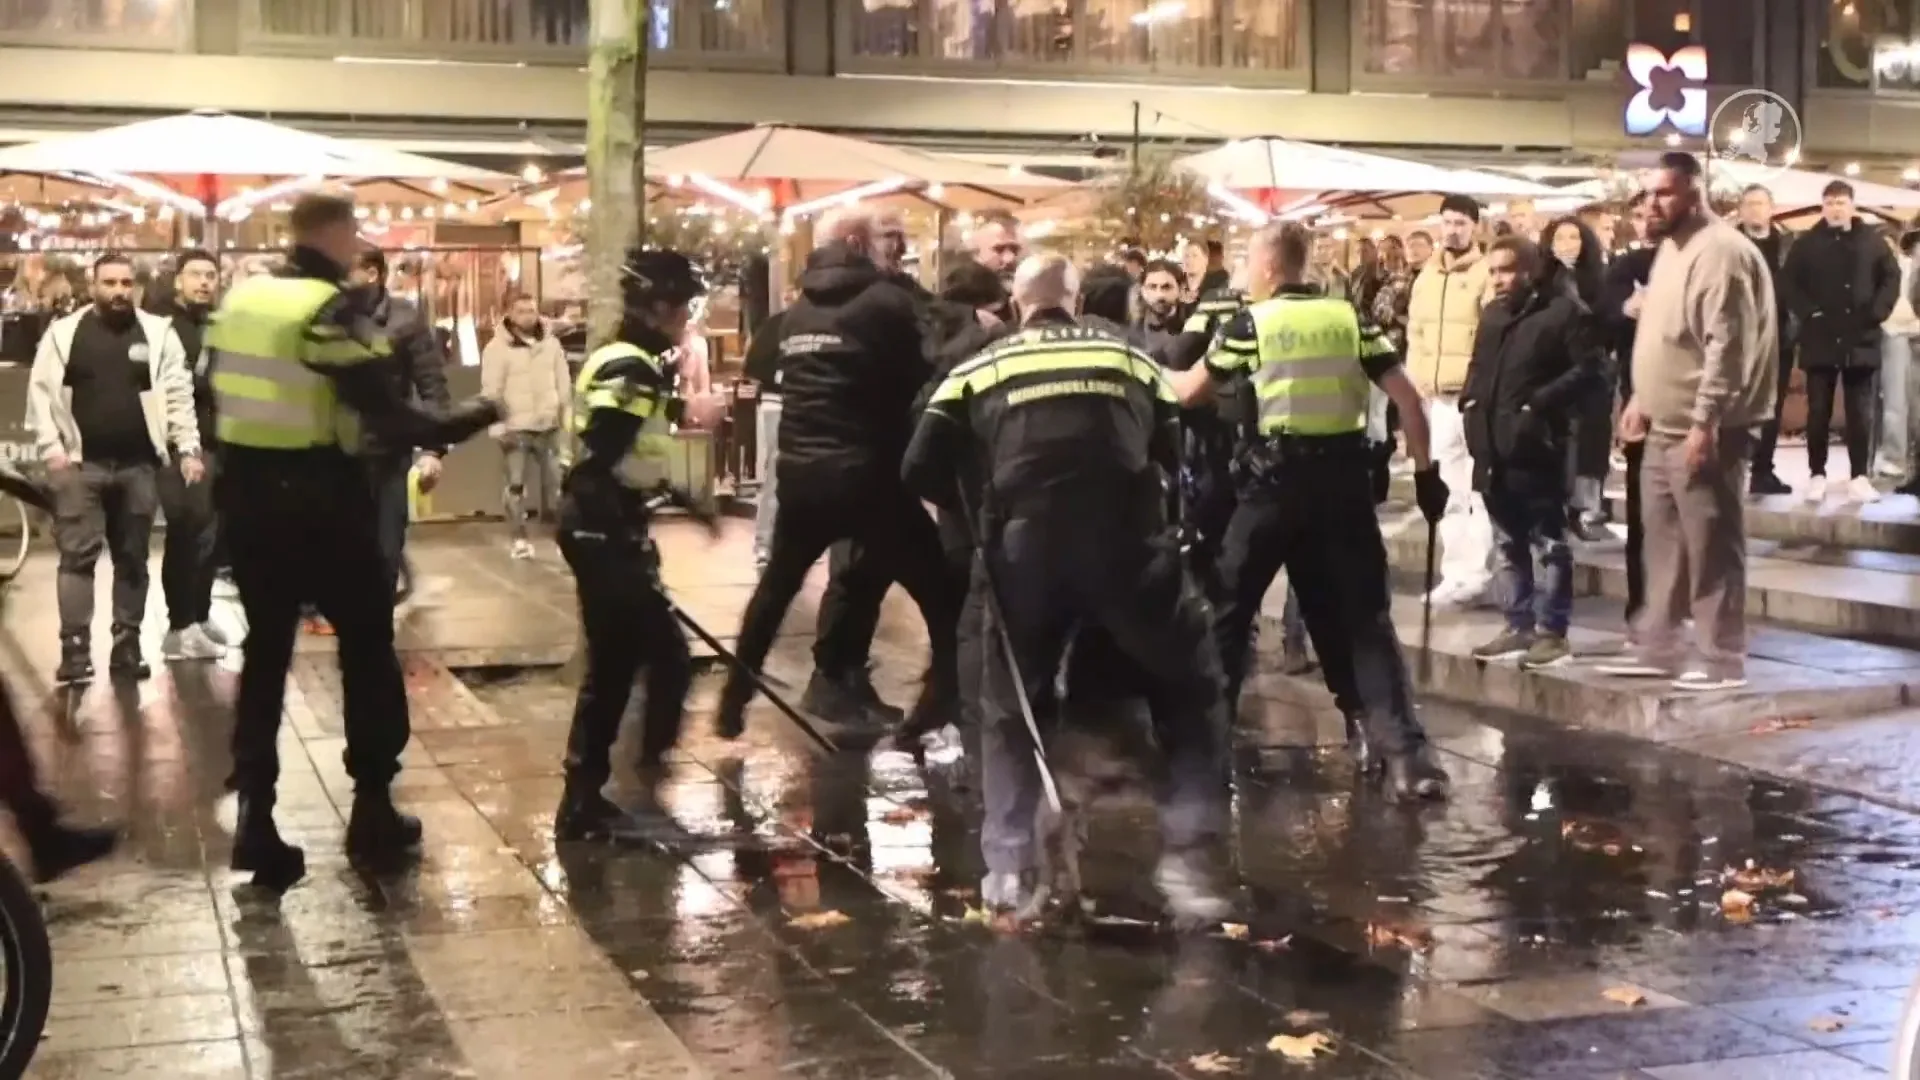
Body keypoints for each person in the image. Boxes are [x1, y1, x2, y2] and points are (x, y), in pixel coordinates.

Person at [902, 253, 1233, 925]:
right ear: (1076, 303)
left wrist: (981, 506)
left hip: (1024, 552)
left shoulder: (979, 368)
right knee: (1192, 684)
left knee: (1008, 704)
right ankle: (1190, 852)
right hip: (1127, 548)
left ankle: (1007, 866)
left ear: (1018, 305)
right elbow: (1171, 449)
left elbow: (918, 467)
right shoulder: (1131, 358)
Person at [208, 193, 499, 890]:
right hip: (322, 498)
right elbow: (391, 416)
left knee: (266, 652)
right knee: (366, 646)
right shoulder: (327, 309)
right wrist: (477, 415)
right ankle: (372, 806)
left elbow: (206, 393)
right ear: (335, 234)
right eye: (353, 233)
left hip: (247, 497)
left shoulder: (241, 300)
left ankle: (255, 816)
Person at [1167, 223, 1450, 801]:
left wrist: (1142, 366)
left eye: (1249, 263)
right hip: (1344, 489)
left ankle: (1203, 754)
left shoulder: (1252, 323)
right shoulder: (1350, 318)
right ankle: (1406, 759)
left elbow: (1188, 391)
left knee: (1227, 614)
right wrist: (1426, 475)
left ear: (1270, 267)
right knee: (1365, 619)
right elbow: (1408, 399)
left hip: (1272, 490)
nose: (1245, 274)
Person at [715, 209, 960, 740]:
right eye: (884, 240)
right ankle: (938, 705)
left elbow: (767, 365)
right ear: (857, 242)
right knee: (944, 596)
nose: (894, 251)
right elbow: (932, 362)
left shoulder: (799, 312)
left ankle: (734, 698)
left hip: (801, 474)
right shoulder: (887, 302)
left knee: (776, 589)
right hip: (867, 477)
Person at [554, 250, 725, 841]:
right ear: (656, 308)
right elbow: (599, 457)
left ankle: (605, 788)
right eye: (681, 307)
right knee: (646, 661)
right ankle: (619, 784)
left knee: (629, 662)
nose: (685, 319)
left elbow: (627, 447)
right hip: (602, 528)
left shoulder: (635, 363)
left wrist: (684, 500)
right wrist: (620, 536)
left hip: (607, 526)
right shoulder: (629, 365)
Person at [1601, 152, 1778, 692]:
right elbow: (1664, 332)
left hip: (1706, 426)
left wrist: (1706, 423)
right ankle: (1659, 646)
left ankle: (1721, 657)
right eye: (1647, 195)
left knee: (1711, 545)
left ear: (1694, 194)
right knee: (1664, 544)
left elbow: (1728, 346)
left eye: (1664, 193)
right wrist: (1642, 396)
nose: (1652, 204)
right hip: (1663, 421)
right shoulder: (1670, 249)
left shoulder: (1720, 252)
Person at [28, 253, 203, 685]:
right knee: (76, 559)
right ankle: (74, 651)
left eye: (126, 283)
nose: (119, 291)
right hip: (79, 465)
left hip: (139, 465)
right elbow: (41, 392)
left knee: (133, 559)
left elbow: (178, 393)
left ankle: (127, 646)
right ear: (93, 286)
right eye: (110, 283)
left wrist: (188, 447)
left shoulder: (158, 333)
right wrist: (52, 450)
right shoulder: (64, 333)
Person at [1461, 236, 1605, 670]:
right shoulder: (1493, 315)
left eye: (1506, 270)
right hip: (1492, 444)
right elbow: (1479, 366)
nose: (1497, 279)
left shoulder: (1564, 312)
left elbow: (1591, 370)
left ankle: (1552, 632)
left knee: (1549, 543)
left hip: (1538, 446)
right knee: (1507, 543)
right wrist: (1470, 401)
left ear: (1529, 269)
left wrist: (1537, 405)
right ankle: (1517, 624)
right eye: (1492, 271)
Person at [1782, 179, 1898, 504]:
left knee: (1860, 412)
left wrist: (1877, 312)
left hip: (1861, 336)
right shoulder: (1806, 243)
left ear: (1852, 206)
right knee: (1818, 410)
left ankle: (1859, 475)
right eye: (1830, 203)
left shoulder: (1872, 241)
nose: (1836, 209)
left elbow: (1891, 278)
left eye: (1841, 202)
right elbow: (1788, 281)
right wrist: (1809, 312)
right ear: (1823, 206)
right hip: (1820, 337)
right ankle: (1817, 474)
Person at [1406, 195, 1495, 609]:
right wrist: (1418, 380)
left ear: (1475, 226)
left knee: (1478, 490)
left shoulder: (1485, 272)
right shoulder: (1427, 275)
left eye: (1461, 222)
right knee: (1449, 489)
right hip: (1437, 398)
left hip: (1473, 397)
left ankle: (1479, 573)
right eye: (1447, 222)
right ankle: (1454, 573)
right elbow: (1416, 333)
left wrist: (1481, 385)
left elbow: (1491, 333)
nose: (1453, 230)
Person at [347, 248, 451, 595]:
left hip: (387, 453)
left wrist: (433, 450)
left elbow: (432, 385)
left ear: (372, 274)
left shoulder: (405, 319)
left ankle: (378, 614)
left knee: (386, 547)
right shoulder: (329, 317)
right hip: (335, 454)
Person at [153, 249, 230, 661]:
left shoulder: (217, 324)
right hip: (181, 446)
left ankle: (199, 615)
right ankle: (179, 625)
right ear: (178, 280)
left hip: (218, 443)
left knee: (211, 537)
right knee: (187, 532)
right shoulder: (161, 326)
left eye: (210, 275)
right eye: (196, 274)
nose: (204, 282)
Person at [1598, 192, 1659, 638]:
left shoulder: (1694, 259)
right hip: (1638, 393)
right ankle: (1641, 603)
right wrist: (1626, 309)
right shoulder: (1624, 267)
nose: (1645, 221)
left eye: (1651, 213)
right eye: (1637, 215)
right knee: (1640, 509)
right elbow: (1606, 319)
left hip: (1689, 401)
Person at [481, 292, 571, 560]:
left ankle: (561, 539)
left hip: (549, 426)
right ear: (510, 313)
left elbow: (563, 384)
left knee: (557, 486)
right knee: (516, 486)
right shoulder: (497, 348)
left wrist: (566, 417)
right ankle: (519, 538)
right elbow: (491, 391)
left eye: (532, 310)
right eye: (521, 311)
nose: (528, 316)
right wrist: (498, 427)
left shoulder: (552, 345)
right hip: (515, 427)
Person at [1543, 216, 1613, 542]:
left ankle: (1583, 509)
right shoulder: (1542, 279)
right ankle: (1555, 509)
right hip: (1555, 372)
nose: (1567, 244)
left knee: (1590, 443)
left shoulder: (1600, 278)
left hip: (1592, 372)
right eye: (1560, 238)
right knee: (1558, 442)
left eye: (1574, 237)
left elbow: (1608, 321)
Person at [1735, 184, 1799, 496]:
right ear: (1740, 210)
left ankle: (1763, 470)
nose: (1755, 209)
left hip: (1778, 337)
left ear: (1771, 209)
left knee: (1772, 407)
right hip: (1736, 339)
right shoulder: (1729, 244)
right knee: (1735, 405)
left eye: (1760, 203)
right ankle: (1732, 468)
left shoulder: (1788, 245)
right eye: (1749, 204)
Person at [1879, 230, 1919, 485]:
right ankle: (1895, 458)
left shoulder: (1911, 268)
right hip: (1893, 333)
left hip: (1913, 333)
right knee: (1895, 400)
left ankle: (1911, 461)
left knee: (1915, 402)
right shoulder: (1889, 269)